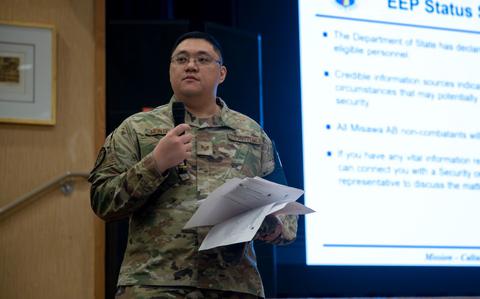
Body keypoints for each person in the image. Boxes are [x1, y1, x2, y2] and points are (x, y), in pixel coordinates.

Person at [89, 31, 298, 299]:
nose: (190, 65)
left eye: (203, 59)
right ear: (170, 69)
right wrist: (156, 163)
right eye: (181, 59)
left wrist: (268, 225)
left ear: (221, 73)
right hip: (153, 285)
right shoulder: (137, 129)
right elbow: (102, 201)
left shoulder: (253, 135)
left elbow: (288, 220)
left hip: (233, 286)